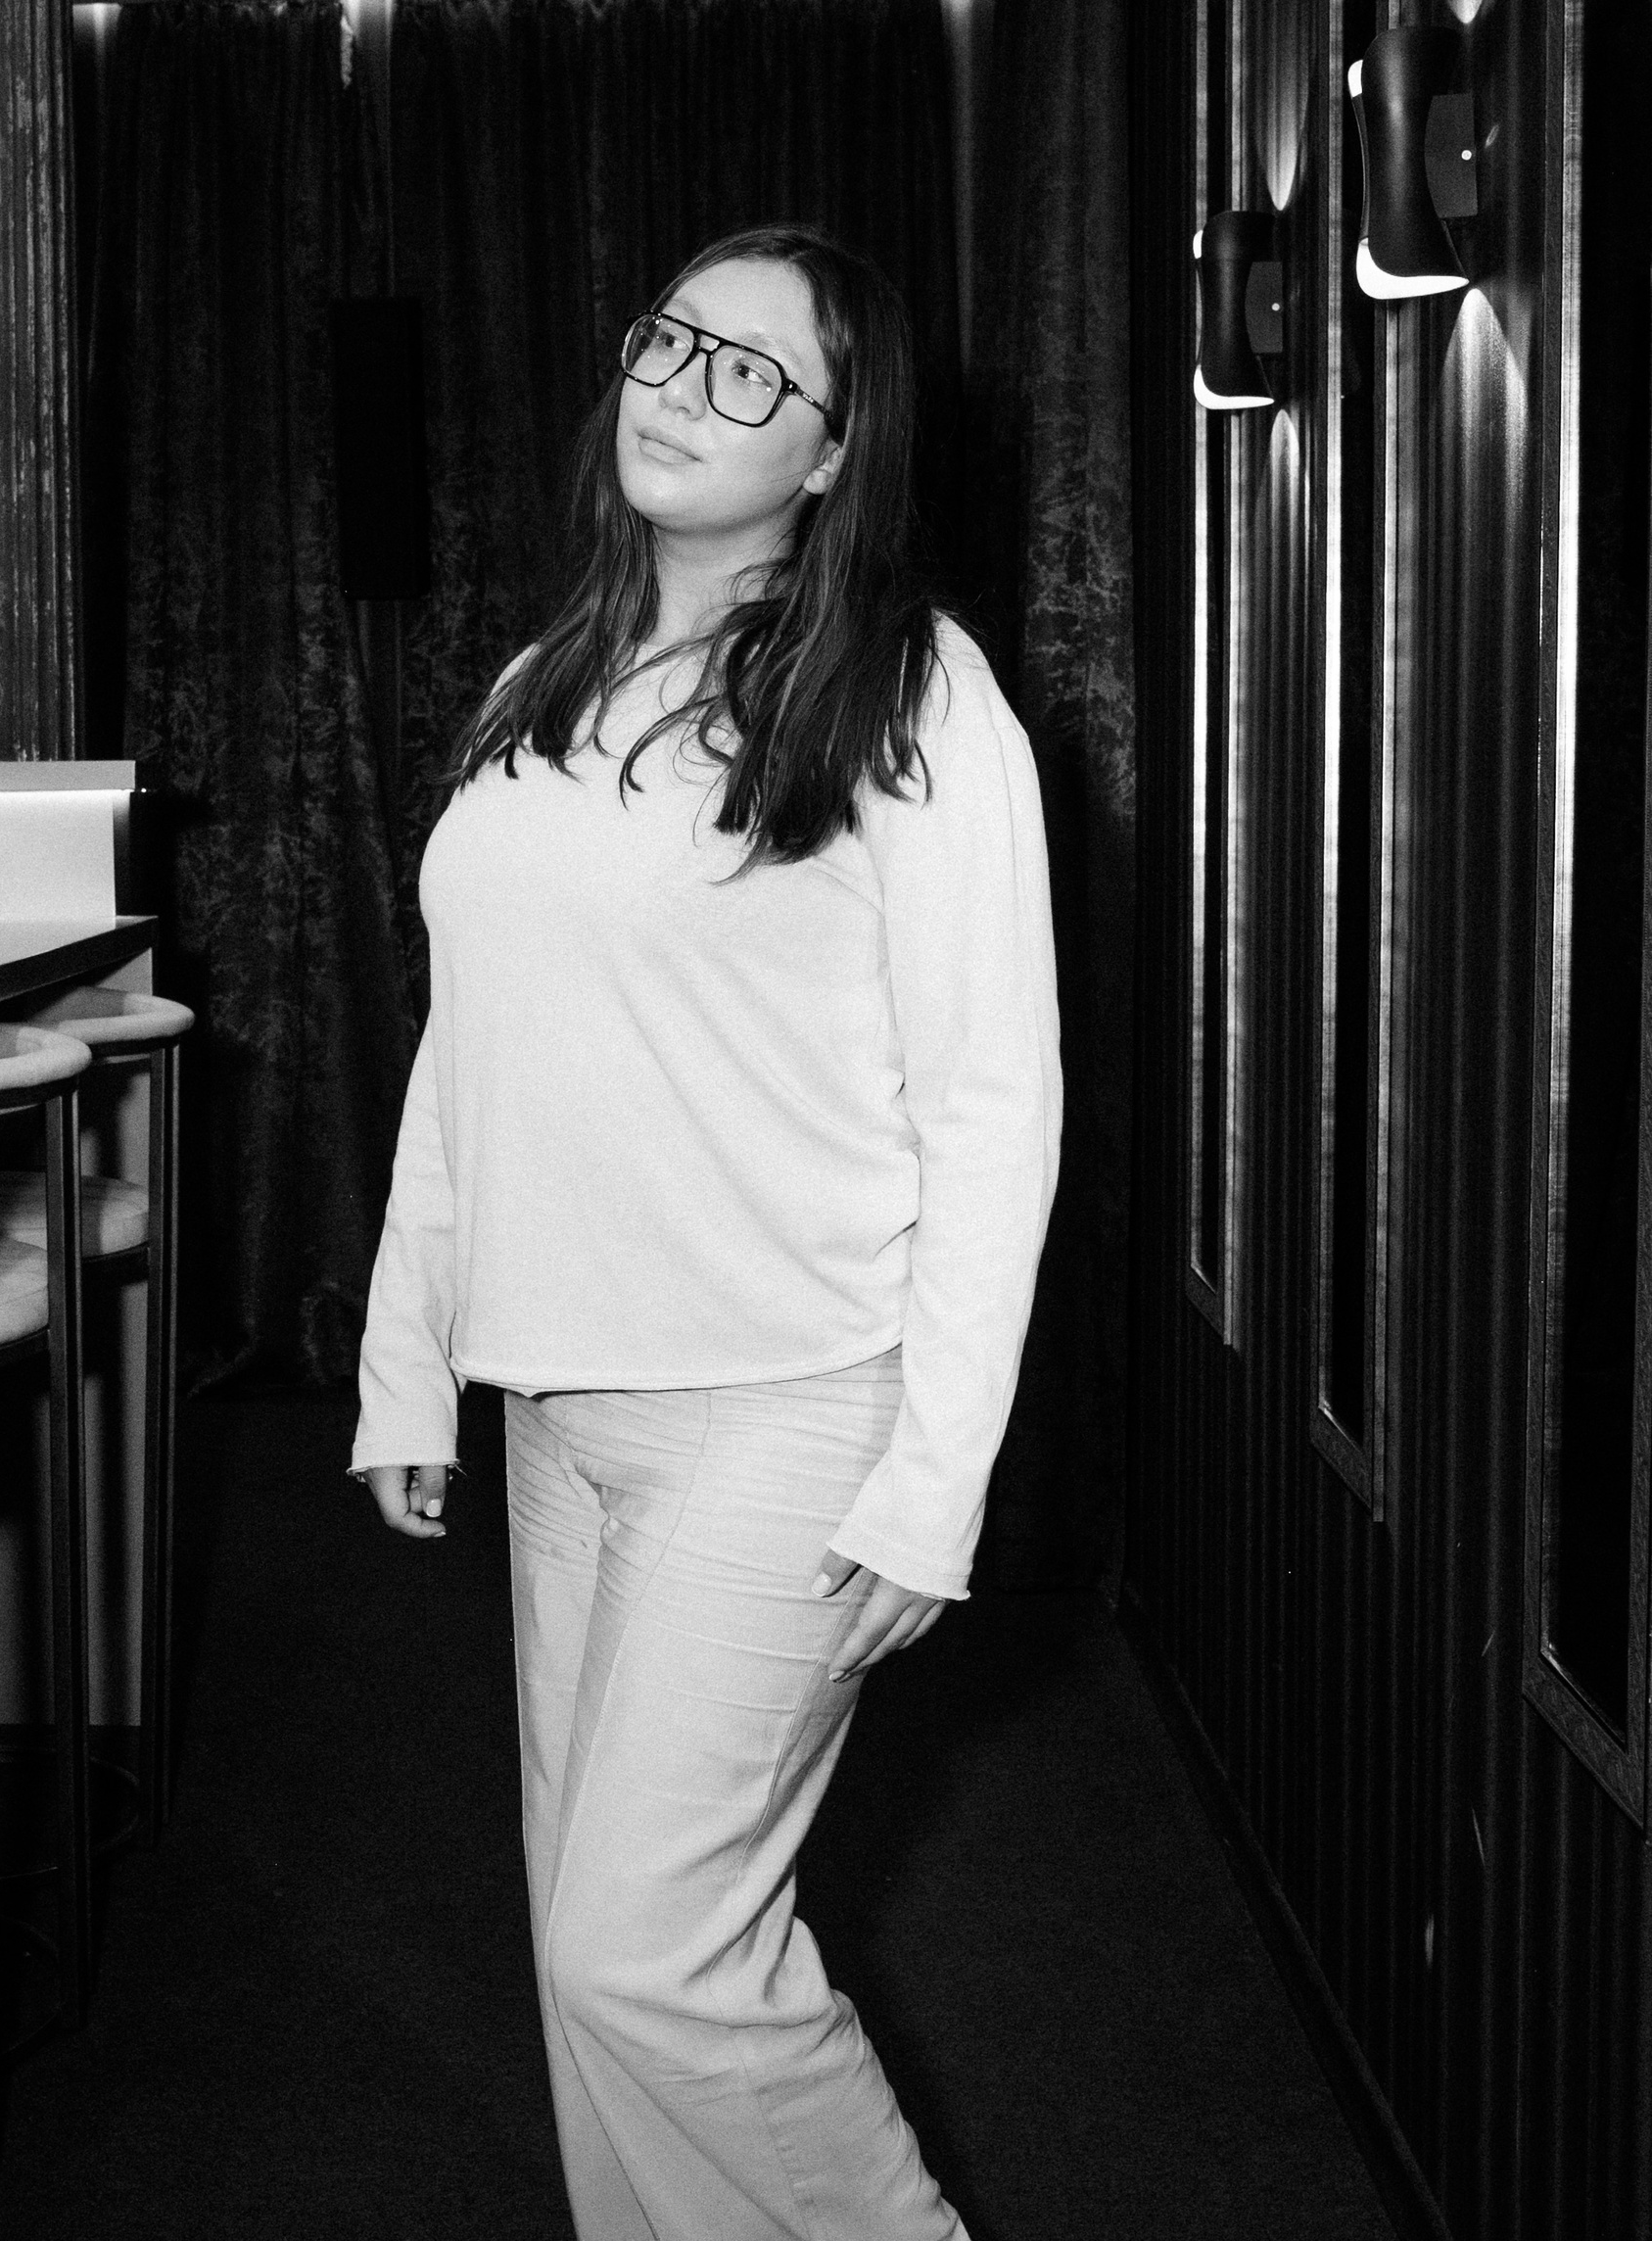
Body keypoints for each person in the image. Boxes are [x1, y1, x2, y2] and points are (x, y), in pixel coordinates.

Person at [353, 222, 1061, 2241]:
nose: (683, 386)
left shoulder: (914, 690)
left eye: (755, 370)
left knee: (643, 1955)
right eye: (671, 340)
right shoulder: (542, 683)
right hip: (559, 1409)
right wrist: (410, 1357)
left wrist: (937, 1482)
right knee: (588, 1967)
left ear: (835, 454)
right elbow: (469, 1054)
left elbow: (994, 1104)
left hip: (789, 1406)